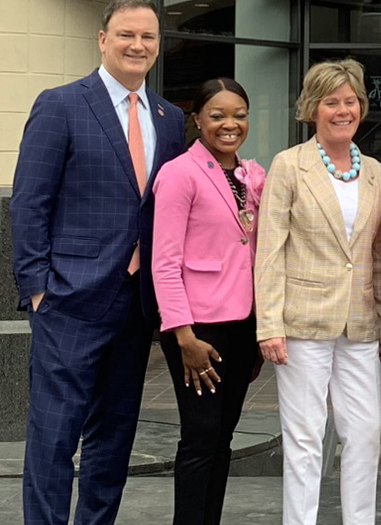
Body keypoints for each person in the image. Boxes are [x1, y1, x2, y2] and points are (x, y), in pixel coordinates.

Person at [11, 0, 186, 525]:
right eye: (127, 34)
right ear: (103, 39)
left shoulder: (170, 118)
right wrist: (37, 287)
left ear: (158, 46)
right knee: (53, 438)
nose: (138, 45)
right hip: (67, 301)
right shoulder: (61, 104)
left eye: (148, 37)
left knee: (113, 439)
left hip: (134, 308)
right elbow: (29, 201)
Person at [255, 60, 381, 525]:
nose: (343, 110)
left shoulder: (375, 170)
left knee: (366, 431)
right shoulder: (289, 165)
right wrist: (269, 323)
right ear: (312, 109)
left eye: (350, 101)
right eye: (331, 101)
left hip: (359, 323)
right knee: (304, 436)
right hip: (301, 323)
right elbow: (270, 251)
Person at [150, 77, 265, 525]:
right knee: (198, 438)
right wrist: (183, 336)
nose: (229, 124)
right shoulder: (179, 173)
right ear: (197, 120)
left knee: (222, 439)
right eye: (217, 115)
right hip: (198, 331)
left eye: (239, 114)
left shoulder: (251, 175)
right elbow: (164, 262)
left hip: (243, 325)